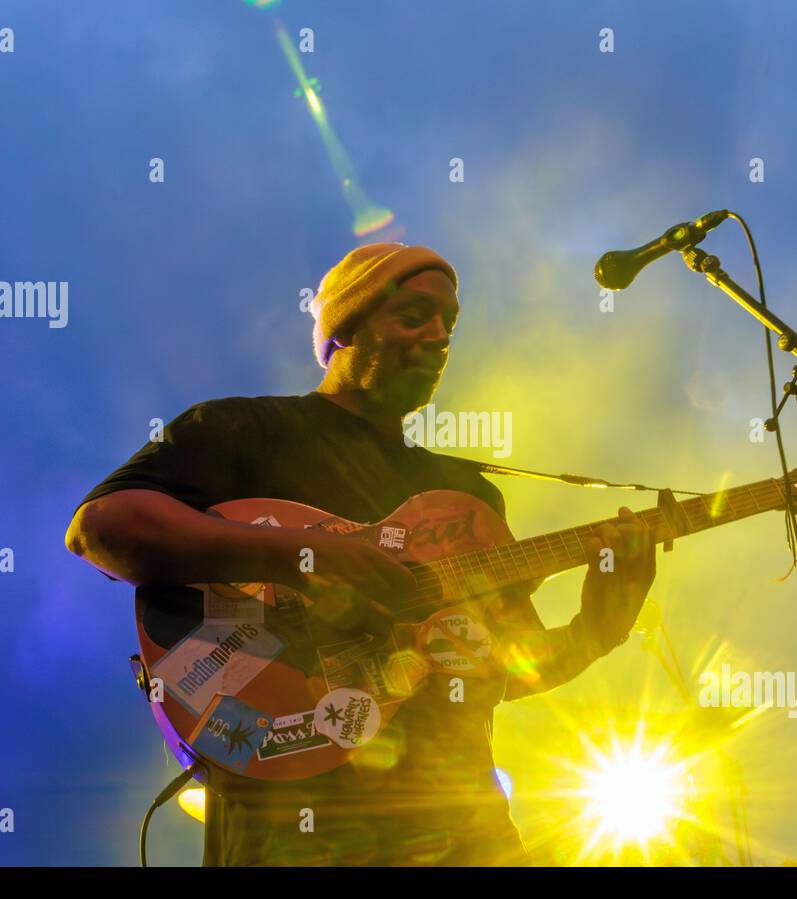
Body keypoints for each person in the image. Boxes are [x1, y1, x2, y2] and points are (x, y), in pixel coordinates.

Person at [65, 242, 657, 865]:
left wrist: (601, 626)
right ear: (346, 326)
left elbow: (497, 668)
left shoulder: (467, 495)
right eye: (414, 315)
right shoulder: (248, 431)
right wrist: (302, 556)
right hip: (293, 818)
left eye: (449, 323)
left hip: (463, 821)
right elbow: (103, 526)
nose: (438, 337)